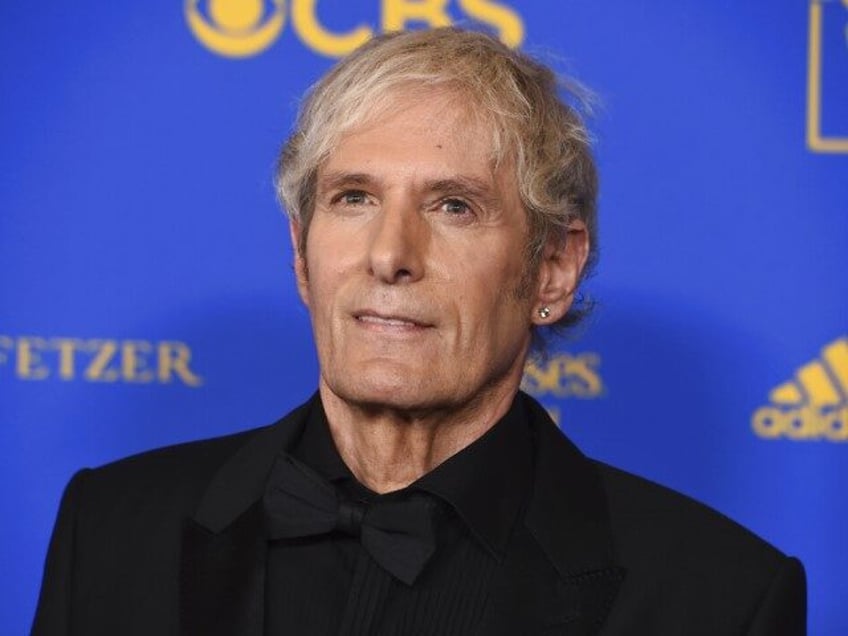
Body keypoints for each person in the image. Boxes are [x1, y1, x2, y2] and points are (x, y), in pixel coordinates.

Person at [32, 27, 806, 636]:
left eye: (454, 207)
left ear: (553, 270)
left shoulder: (719, 599)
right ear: (302, 255)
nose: (391, 256)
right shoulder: (110, 530)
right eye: (354, 198)